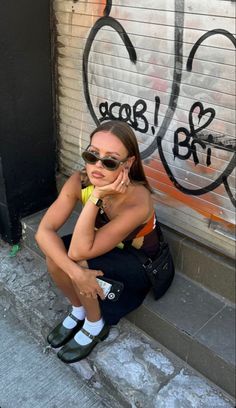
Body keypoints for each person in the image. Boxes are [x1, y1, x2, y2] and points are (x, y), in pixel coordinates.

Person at [35, 120, 170, 364]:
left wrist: (97, 195)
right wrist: (75, 272)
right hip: (101, 245)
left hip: (137, 261)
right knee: (55, 254)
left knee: (75, 257)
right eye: (92, 155)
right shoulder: (80, 180)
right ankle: (78, 309)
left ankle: (95, 324)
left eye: (109, 161)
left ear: (128, 163)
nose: (97, 166)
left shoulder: (138, 200)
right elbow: (43, 231)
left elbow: (79, 250)